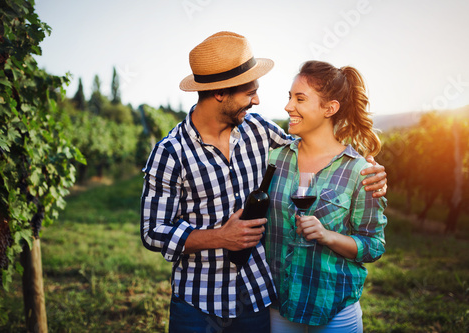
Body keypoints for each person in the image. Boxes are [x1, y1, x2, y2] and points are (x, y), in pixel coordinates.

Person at [140, 32, 387, 333]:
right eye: (249, 93)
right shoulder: (170, 153)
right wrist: (220, 237)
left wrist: (369, 169)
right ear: (220, 93)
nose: (257, 100)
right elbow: (153, 232)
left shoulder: (258, 131)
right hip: (198, 305)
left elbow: (316, 144)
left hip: (256, 301)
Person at [265, 60, 388, 333]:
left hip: (333, 307)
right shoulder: (274, 159)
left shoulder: (360, 171)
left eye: (300, 99)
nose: (288, 107)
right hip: (279, 303)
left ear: (329, 109)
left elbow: (374, 245)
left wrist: (327, 236)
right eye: (289, 97)